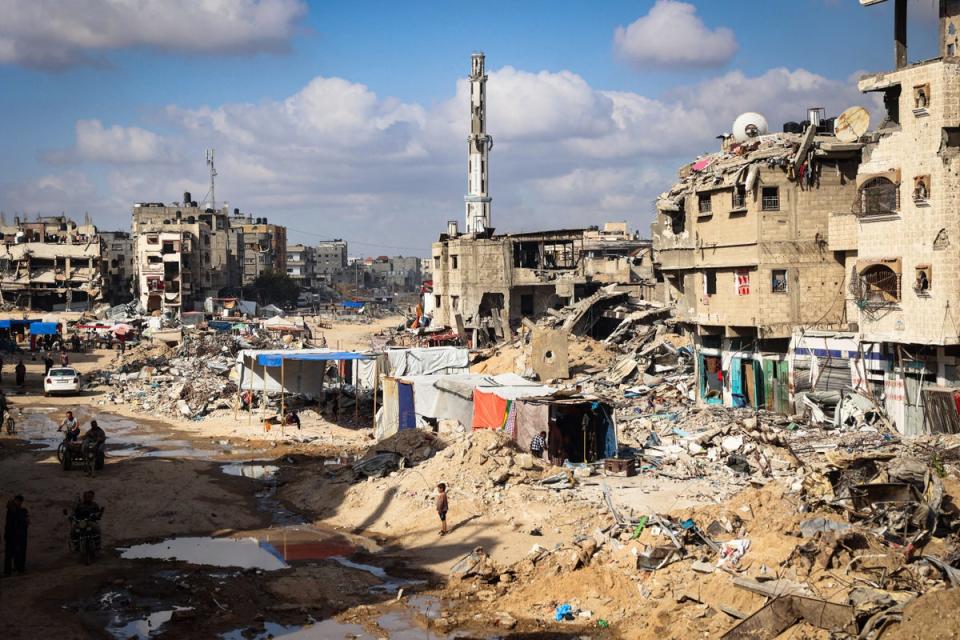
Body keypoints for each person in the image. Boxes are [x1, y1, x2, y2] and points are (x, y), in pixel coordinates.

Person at [4, 495, 29, 575]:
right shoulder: (15, 511)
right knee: (14, 553)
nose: (19, 503)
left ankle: (12, 570)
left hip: (13, 535)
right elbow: (15, 524)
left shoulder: (17, 511)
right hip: (14, 535)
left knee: (12, 554)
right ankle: (17, 570)